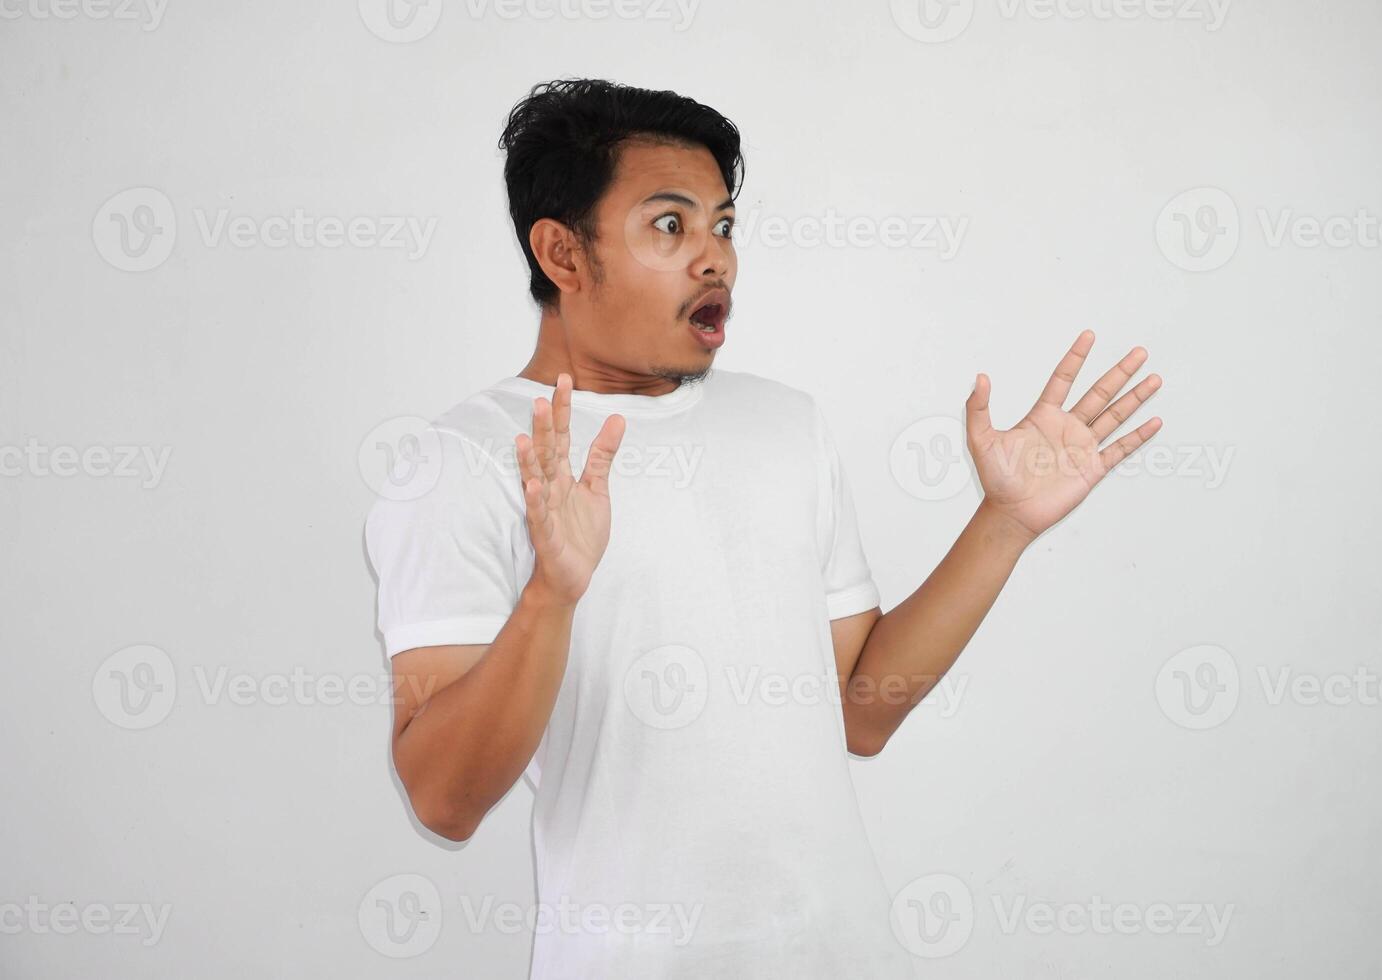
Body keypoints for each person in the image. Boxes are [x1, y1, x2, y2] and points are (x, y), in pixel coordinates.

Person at [364, 77, 1163, 978]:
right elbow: (443, 798)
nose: (717, 261)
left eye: (725, 226)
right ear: (562, 253)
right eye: (670, 226)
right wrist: (553, 593)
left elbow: (859, 711)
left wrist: (1006, 522)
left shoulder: (786, 424)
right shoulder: (460, 461)